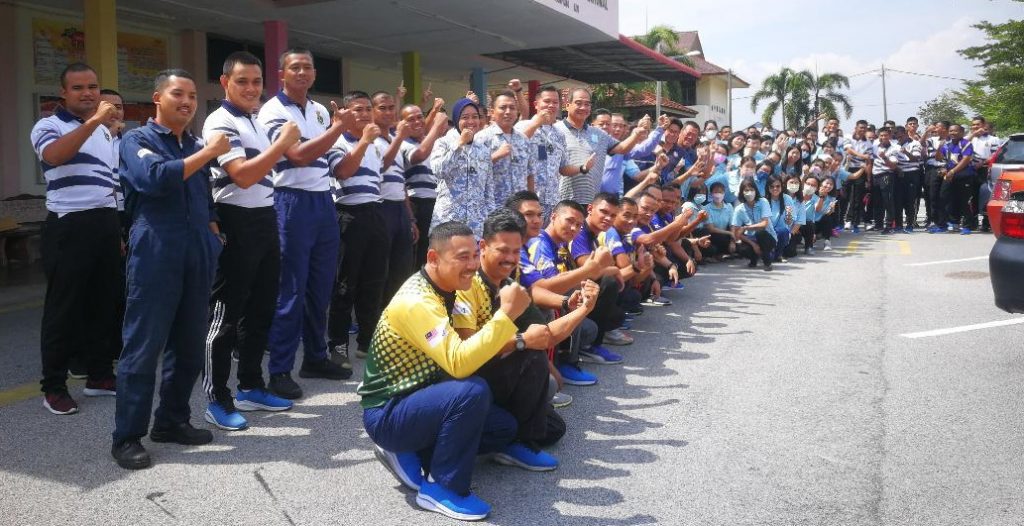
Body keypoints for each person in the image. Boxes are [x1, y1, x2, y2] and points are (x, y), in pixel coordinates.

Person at [358, 221, 547, 521]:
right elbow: (459, 362)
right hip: (389, 410)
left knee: (502, 427)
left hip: (424, 397)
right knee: (471, 391)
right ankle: (440, 488)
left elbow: (470, 346)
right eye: (462, 257)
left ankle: (416, 451)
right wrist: (508, 316)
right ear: (433, 258)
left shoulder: (454, 288)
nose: (472, 265)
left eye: (474, 255)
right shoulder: (417, 301)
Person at [112, 69, 229, 469]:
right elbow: (154, 179)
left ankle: (172, 420)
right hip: (156, 247)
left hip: (197, 248)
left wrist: (213, 235)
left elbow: (205, 197)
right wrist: (209, 153)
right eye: (178, 93)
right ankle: (127, 436)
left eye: (193, 95)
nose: (188, 101)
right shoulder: (137, 140)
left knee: (191, 344)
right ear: (157, 97)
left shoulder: (195, 143)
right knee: (144, 346)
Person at [452, 209, 599, 467]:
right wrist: (521, 341)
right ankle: (517, 442)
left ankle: (505, 436)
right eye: (502, 250)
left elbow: (547, 334)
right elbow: (467, 348)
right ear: (483, 246)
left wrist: (584, 308)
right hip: (465, 379)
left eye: (515, 251)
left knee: (554, 429)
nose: (510, 258)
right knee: (530, 353)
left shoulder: (510, 284)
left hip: (492, 372)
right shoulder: (468, 285)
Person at [201, 51, 299, 431]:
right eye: (242, 81)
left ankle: (251, 387)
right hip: (235, 221)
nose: (251, 88)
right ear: (225, 82)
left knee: (260, 310)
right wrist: (282, 144)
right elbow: (241, 176)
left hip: (264, 218)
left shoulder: (256, 121)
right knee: (225, 315)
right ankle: (216, 398)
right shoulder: (219, 121)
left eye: (256, 81)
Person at [257, 48, 351, 399]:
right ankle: (279, 370)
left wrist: (333, 127)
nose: (302, 72)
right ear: (281, 73)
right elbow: (296, 156)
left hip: (322, 200)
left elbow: (326, 157)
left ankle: (315, 356)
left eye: (307, 67)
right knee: (291, 289)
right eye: (294, 67)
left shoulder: (319, 110)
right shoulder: (273, 110)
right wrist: (339, 128)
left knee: (320, 288)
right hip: (291, 201)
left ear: (314, 73)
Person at [31, 62, 121, 414]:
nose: (88, 93)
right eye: (79, 88)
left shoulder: (103, 133)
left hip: (105, 223)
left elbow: (111, 182)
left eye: (93, 87)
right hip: (68, 225)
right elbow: (55, 156)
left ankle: (99, 375)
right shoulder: (48, 126)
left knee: (104, 304)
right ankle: (53, 387)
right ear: (64, 93)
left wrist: (117, 230)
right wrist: (95, 121)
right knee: (63, 309)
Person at [324, 90, 389, 368]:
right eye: (356, 110)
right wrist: (363, 142)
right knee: (344, 285)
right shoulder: (336, 142)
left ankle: (366, 342)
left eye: (366, 109)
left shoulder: (375, 145)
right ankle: (337, 346)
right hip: (348, 215)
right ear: (344, 113)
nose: (363, 115)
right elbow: (343, 172)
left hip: (375, 213)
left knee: (373, 283)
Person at [554, 88, 645, 204]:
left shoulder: (598, 134)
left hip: (591, 202)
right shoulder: (556, 130)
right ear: (567, 105)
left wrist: (637, 133)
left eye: (587, 104)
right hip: (562, 201)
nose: (583, 107)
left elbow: (622, 148)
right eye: (578, 103)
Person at [371, 90, 418, 305]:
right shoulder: (370, 138)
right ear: (372, 111)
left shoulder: (393, 139)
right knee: (380, 268)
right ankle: (377, 318)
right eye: (382, 108)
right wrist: (399, 137)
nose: (388, 112)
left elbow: (401, 183)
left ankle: (396, 314)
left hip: (399, 208)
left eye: (391, 108)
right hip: (380, 208)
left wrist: (410, 218)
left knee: (402, 267)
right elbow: (381, 166)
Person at [430, 97, 493, 237]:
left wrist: (490, 222)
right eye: (465, 117)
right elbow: (438, 171)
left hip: (476, 226)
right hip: (449, 222)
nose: (471, 122)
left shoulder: (483, 149)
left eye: (475, 117)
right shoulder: (443, 143)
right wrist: (459, 144)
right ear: (457, 119)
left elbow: (488, 190)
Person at [400, 99, 447, 267]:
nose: (417, 122)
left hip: (438, 204)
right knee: (420, 256)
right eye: (410, 119)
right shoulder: (404, 144)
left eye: (419, 117)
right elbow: (418, 156)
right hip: (417, 204)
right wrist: (436, 128)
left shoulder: (434, 142)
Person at [514, 86, 568, 216]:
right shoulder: (523, 126)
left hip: (553, 202)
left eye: (555, 102)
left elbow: (563, 167)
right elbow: (514, 146)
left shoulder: (560, 135)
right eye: (547, 101)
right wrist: (536, 124)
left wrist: (582, 168)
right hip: (528, 202)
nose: (551, 105)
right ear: (536, 104)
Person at [476, 90, 535, 208]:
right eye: (503, 107)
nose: (508, 112)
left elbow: (530, 174)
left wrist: (532, 202)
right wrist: (495, 156)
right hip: (493, 207)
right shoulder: (482, 138)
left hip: (520, 207)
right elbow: (474, 171)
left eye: (512, 108)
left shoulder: (523, 139)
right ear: (492, 112)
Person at [936, 124, 977, 234]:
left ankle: (968, 226)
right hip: (949, 175)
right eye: (951, 131)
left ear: (961, 132)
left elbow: (966, 160)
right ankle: (945, 224)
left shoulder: (966, 144)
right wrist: (940, 147)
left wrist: (953, 171)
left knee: (964, 201)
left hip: (964, 175)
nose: (952, 133)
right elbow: (939, 158)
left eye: (955, 131)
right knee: (943, 198)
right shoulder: (947, 144)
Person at [731, 179, 775, 270]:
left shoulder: (763, 202)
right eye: (746, 190)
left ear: (756, 191)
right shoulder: (739, 209)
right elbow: (737, 232)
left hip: (767, 237)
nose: (749, 192)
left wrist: (747, 227)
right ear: (742, 193)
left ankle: (767, 262)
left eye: (751, 190)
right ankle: (753, 259)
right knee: (741, 248)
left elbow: (764, 223)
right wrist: (753, 244)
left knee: (760, 233)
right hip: (751, 239)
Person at [871, 127, 902, 234]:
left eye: (886, 135)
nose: (883, 137)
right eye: (881, 135)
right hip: (875, 176)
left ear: (890, 136)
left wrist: (884, 157)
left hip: (887, 175)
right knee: (877, 201)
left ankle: (889, 225)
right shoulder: (874, 146)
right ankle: (878, 224)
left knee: (887, 201)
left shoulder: (895, 148)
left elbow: (893, 166)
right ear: (878, 136)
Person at [894, 125, 924, 232]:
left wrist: (906, 152)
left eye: (901, 136)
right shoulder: (895, 145)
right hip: (899, 175)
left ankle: (910, 224)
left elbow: (915, 159)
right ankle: (898, 225)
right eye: (897, 137)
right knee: (898, 201)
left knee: (910, 201)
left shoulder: (915, 144)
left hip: (912, 175)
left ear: (906, 134)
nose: (899, 139)